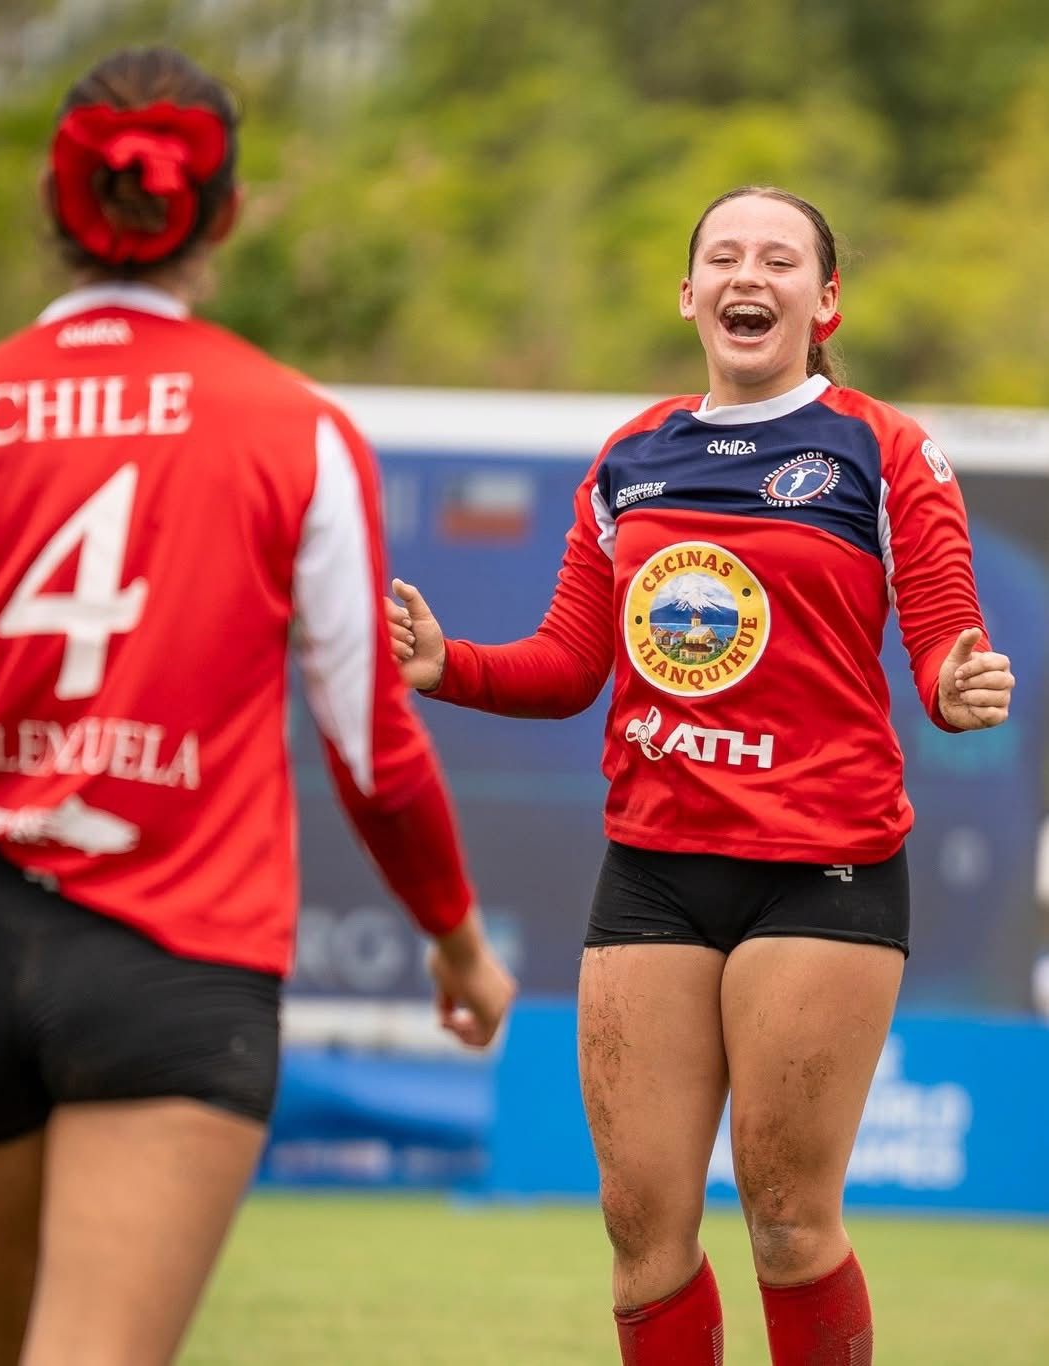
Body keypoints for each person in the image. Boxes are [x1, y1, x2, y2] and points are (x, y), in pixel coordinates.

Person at [387, 186, 1014, 1364]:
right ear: (688, 295)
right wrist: (447, 663)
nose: (748, 275)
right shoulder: (630, 457)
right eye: (723, 257)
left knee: (786, 1222)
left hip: (821, 867)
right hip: (652, 872)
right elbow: (567, 663)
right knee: (641, 1235)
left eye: (779, 259)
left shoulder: (883, 448)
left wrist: (957, 683)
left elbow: (943, 635)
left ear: (825, 300)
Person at [0, 46, 515, 1366]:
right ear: (228, 212)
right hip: (175, 961)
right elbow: (370, 744)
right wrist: (456, 941)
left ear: (52, 204)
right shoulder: (292, 427)